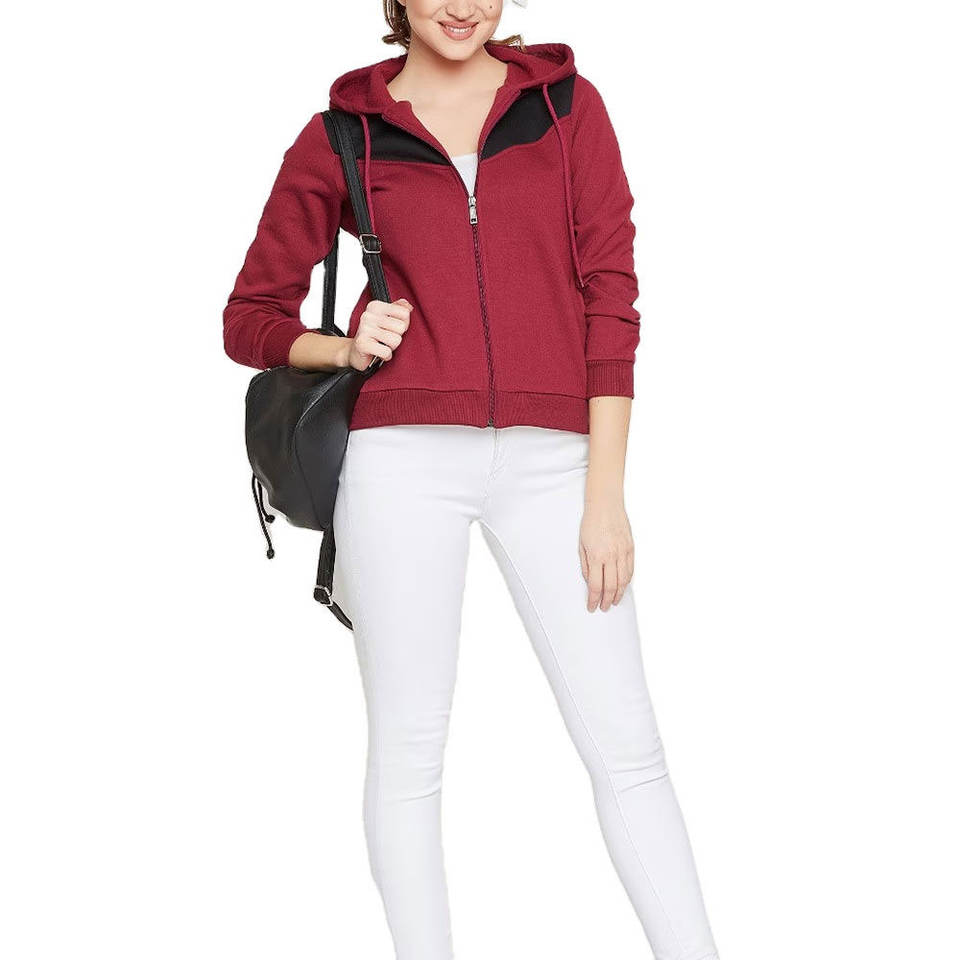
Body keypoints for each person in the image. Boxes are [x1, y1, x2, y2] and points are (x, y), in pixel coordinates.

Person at [222, 3, 720, 958]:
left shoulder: (566, 107)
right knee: (410, 752)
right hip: (400, 464)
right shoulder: (345, 132)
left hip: (558, 464)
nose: (463, 4)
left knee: (629, 747)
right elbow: (249, 316)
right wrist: (341, 347)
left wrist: (605, 495)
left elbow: (611, 296)